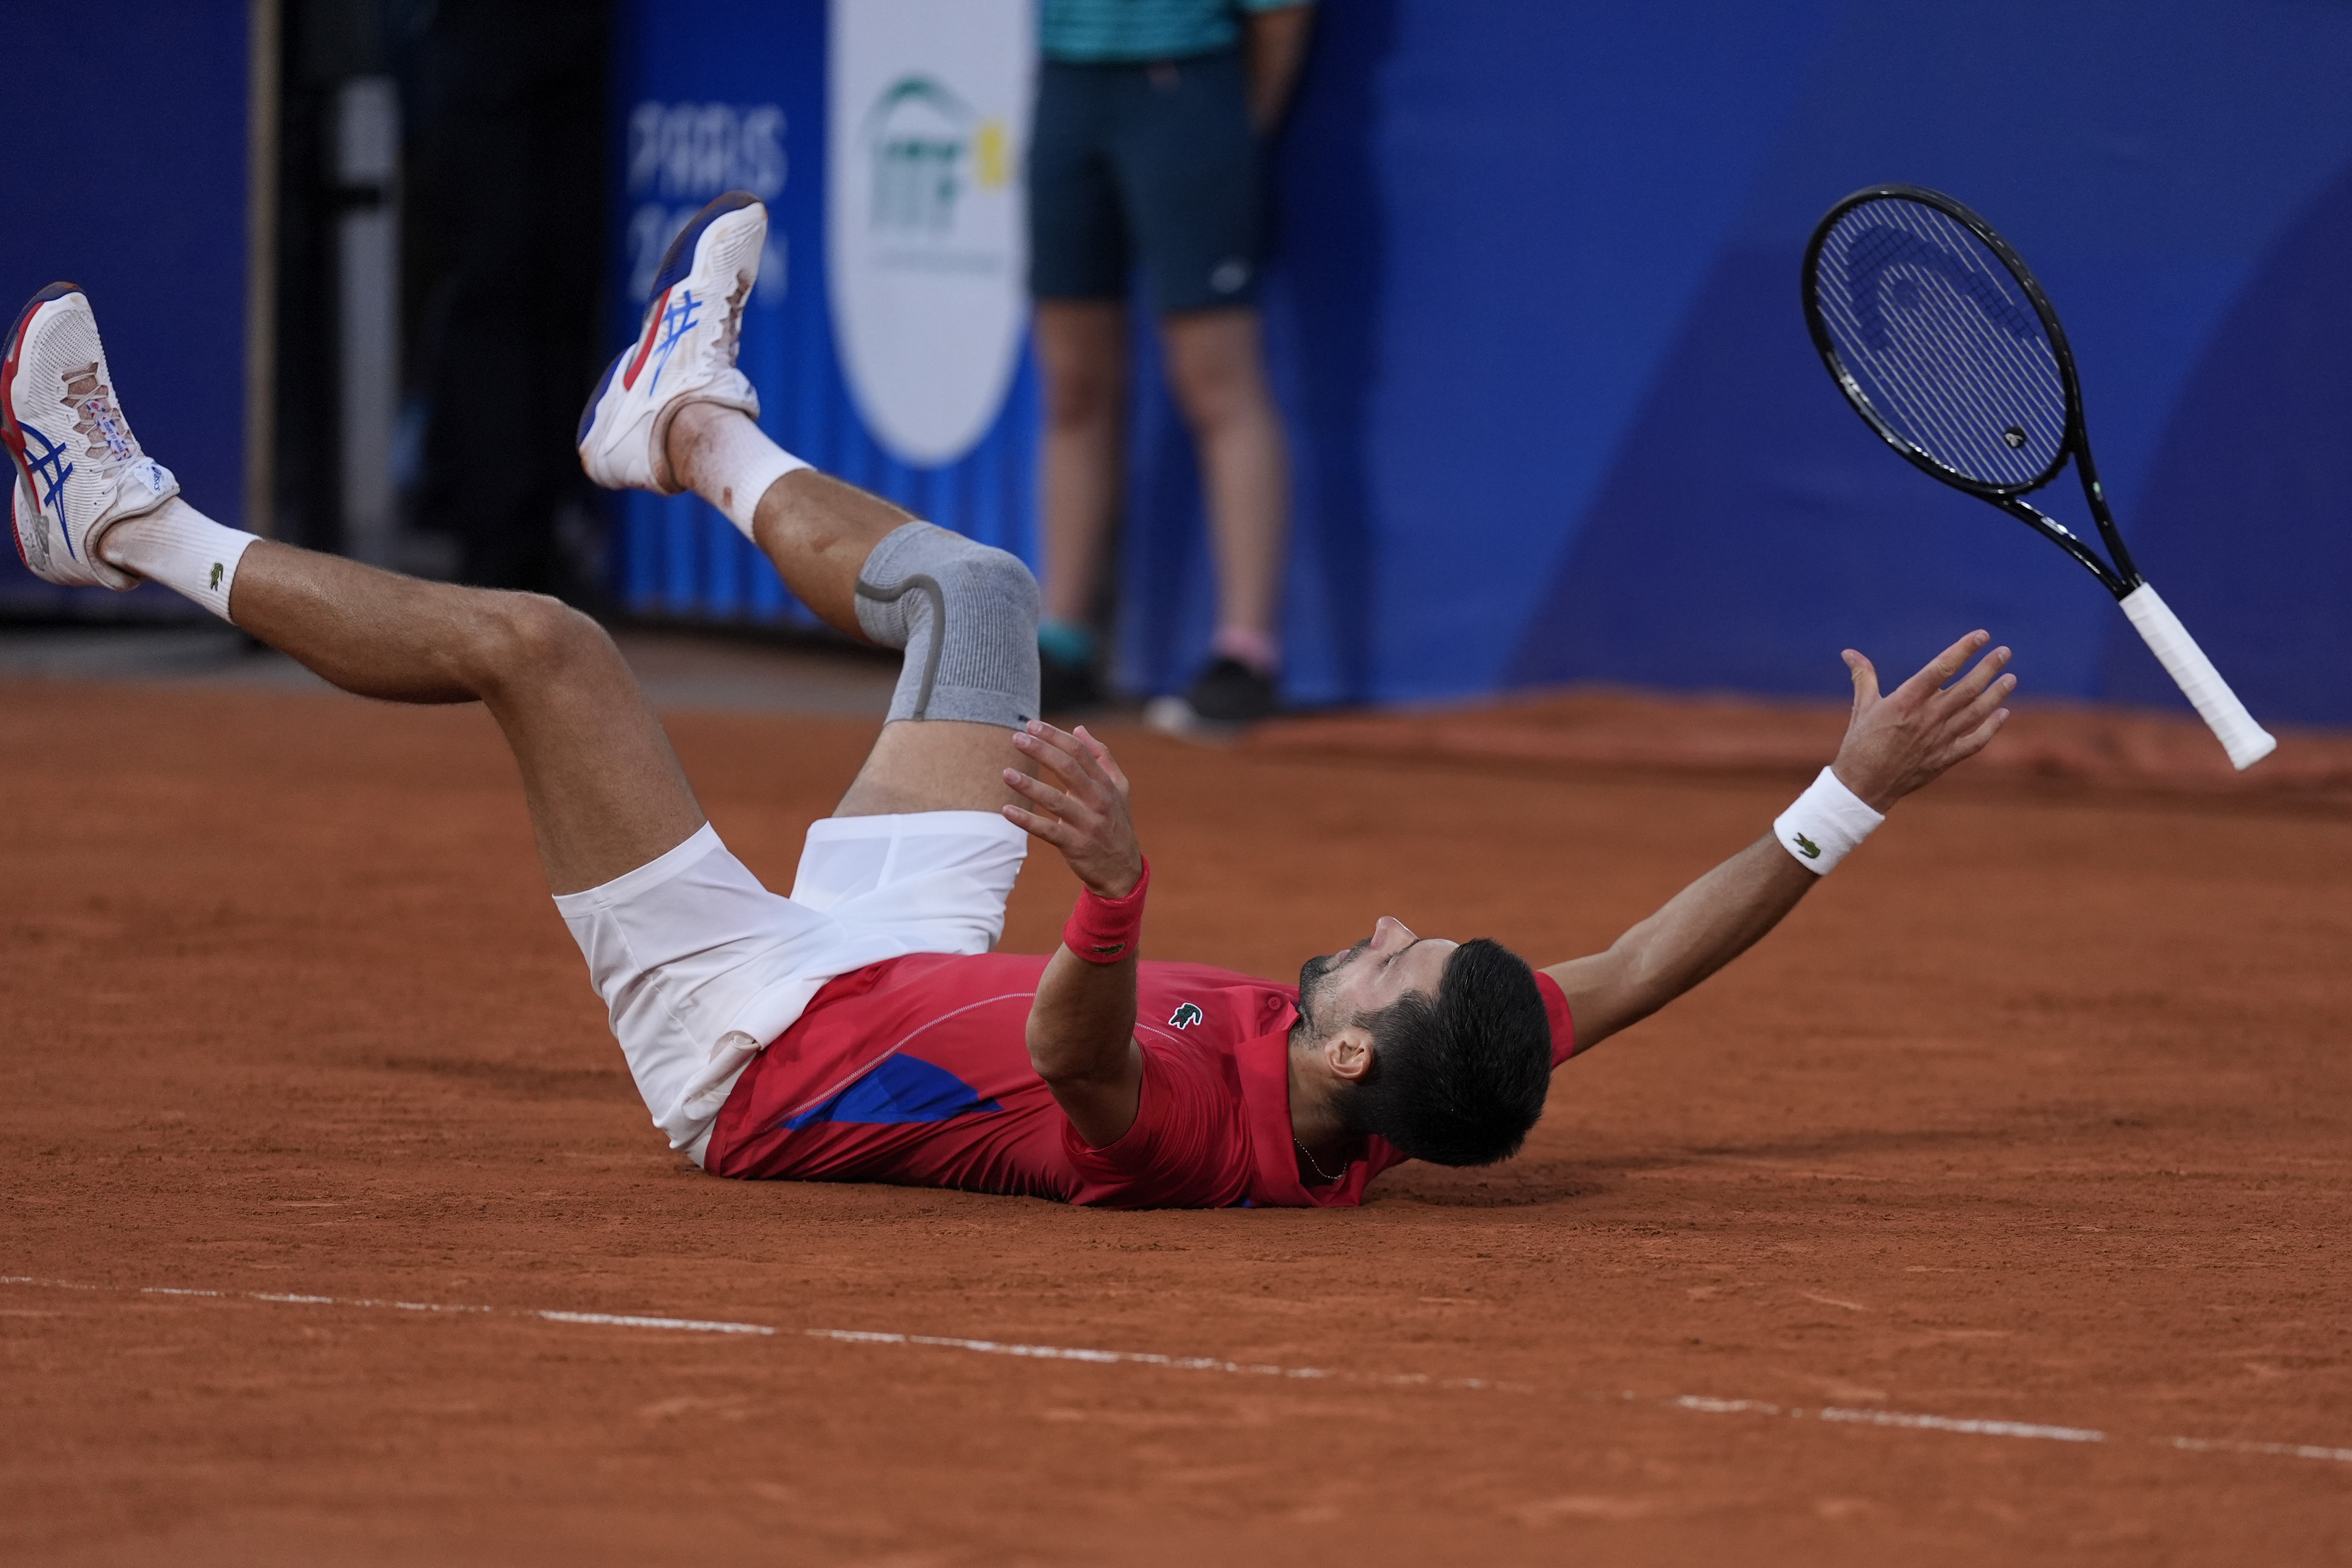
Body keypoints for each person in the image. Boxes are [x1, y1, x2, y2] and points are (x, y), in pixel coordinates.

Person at [3, 194, 2017, 1208]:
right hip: (896, 960)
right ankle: (686, 424)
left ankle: (118, 521)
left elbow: (1082, 1056)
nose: (1390, 923)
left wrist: (1118, 895)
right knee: (978, 596)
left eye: (1389, 961)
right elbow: (1646, 961)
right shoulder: (1433, 1073)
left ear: (1332, 1063)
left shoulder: (1187, 1135)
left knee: (546, 646)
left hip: (759, 1042)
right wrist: (1842, 794)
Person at [1027, 0, 1316, 727]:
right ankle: (1060, 643)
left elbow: (1282, 14)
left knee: (1216, 380)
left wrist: (1229, 129)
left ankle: (1246, 652)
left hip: (1189, 89)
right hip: (1065, 82)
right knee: (1073, 386)